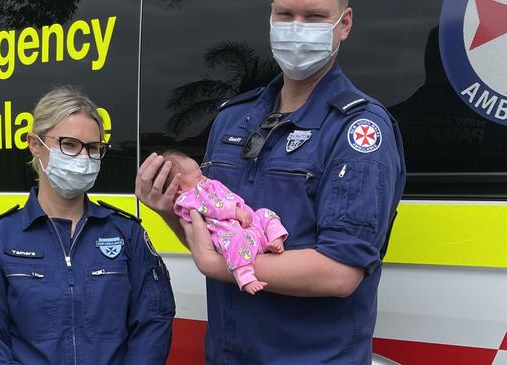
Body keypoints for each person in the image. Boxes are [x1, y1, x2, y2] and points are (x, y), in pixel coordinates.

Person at [135, 0, 406, 363]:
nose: (296, 28)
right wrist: (170, 210)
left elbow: (340, 273)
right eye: (285, 15)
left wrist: (219, 266)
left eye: (314, 16)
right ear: (270, 18)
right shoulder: (233, 119)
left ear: (344, 24)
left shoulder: (357, 129)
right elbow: (217, 239)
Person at [0, 86, 175, 365]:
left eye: (93, 148)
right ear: (35, 144)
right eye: (69, 145)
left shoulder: (127, 233)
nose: (83, 158)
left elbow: (154, 321)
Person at [163, 150, 287, 294]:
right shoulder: (188, 198)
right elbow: (211, 206)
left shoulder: (202, 185)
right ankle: (245, 277)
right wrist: (235, 211)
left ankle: (275, 240)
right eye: (198, 176)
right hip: (228, 229)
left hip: (249, 224)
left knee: (266, 213)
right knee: (235, 241)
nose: (203, 177)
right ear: (178, 188)